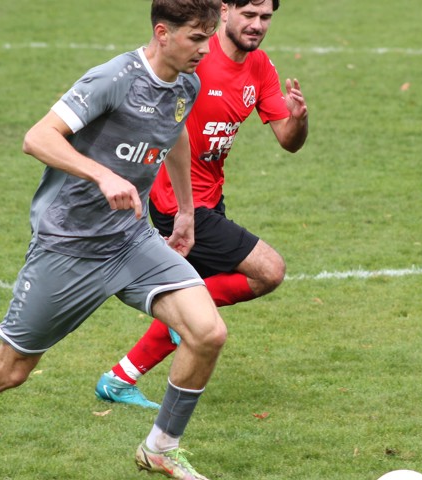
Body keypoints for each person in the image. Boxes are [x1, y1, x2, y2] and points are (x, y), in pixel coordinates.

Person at [0, 1, 225, 479]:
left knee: (207, 333)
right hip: (69, 246)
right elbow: (38, 137)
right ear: (163, 33)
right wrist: (101, 174)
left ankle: (160, 447)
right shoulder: (112, 78)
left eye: (208, 36)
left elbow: (174, 135)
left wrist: (188, 212)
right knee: (11, 369)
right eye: (196, 37)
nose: (205, 48)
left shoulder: (187, 83)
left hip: (131, 241)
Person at [94, 0, 308, 409]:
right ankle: (182, 312)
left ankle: (119, 378)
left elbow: (288, 140)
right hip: (176, 203)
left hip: (210, 197)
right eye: (248, 14)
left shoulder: (259, 67)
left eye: (265, 17)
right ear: (224, 10)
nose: (257, 25)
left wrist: (298, 119)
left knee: (197, 298)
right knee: (268, 270)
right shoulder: (195, 57)